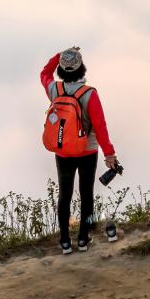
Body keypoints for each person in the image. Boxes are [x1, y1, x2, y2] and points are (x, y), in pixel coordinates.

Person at [41, 46, 119, 253]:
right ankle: (83, 239)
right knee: (86, 194)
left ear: (61, 69)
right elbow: (100, 127)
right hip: (87, 151)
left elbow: (44, 74)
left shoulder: (54, 90)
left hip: (63, 151)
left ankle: (65, 241)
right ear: (82, 67)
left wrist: (59, 56)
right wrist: (109, 154)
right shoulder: (89, 94)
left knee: (64, 196)